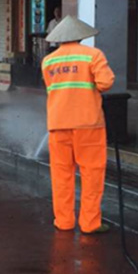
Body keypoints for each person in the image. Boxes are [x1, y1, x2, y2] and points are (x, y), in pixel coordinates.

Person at [41, 15, 115, 234]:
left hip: (58, 124)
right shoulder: (93, 55)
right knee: (92, 175)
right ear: (81, 36)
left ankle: (63, 221)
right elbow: (105, 83)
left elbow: (51, 87)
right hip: (88, 124)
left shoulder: (49, 61)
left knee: (61, 175)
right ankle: (90, 224)